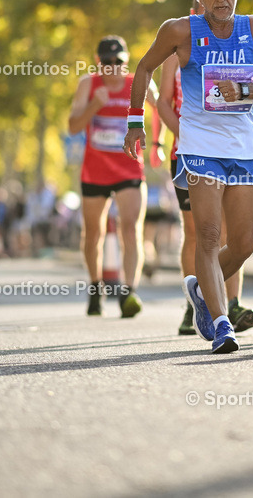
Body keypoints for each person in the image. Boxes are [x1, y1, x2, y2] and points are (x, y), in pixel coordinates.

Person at [125, 0, 253, 354]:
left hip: (244, 151)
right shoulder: (179, 30)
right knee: (209, 236)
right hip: (198, 149)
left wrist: (244, 91)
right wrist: (134, 122)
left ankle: (199, 288)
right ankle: (221, 324)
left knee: (245, 243)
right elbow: (143, 69)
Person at [157, 53, 253, 335]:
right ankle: (202, 308)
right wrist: (188, 137)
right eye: (201, 4)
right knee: (200, 233)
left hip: (235, 151)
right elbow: (163, 103)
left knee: (235, 237)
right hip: (192, 152)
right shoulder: (179, 44)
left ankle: (227, 299)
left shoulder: (239, 41)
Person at [68, 36, 156, 318]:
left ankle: (128, 292)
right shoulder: (88, 84)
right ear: (99, 63)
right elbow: (72, 126)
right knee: (93, 232)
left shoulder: (136, 84)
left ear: (126, 61)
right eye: (107, 62)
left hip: (130, 168)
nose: (113, 68)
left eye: (118, 62)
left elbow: (163, 108)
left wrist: (160, 143)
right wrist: (95, 105)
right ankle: (95, 289)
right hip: (95, 170)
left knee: (130, 228)